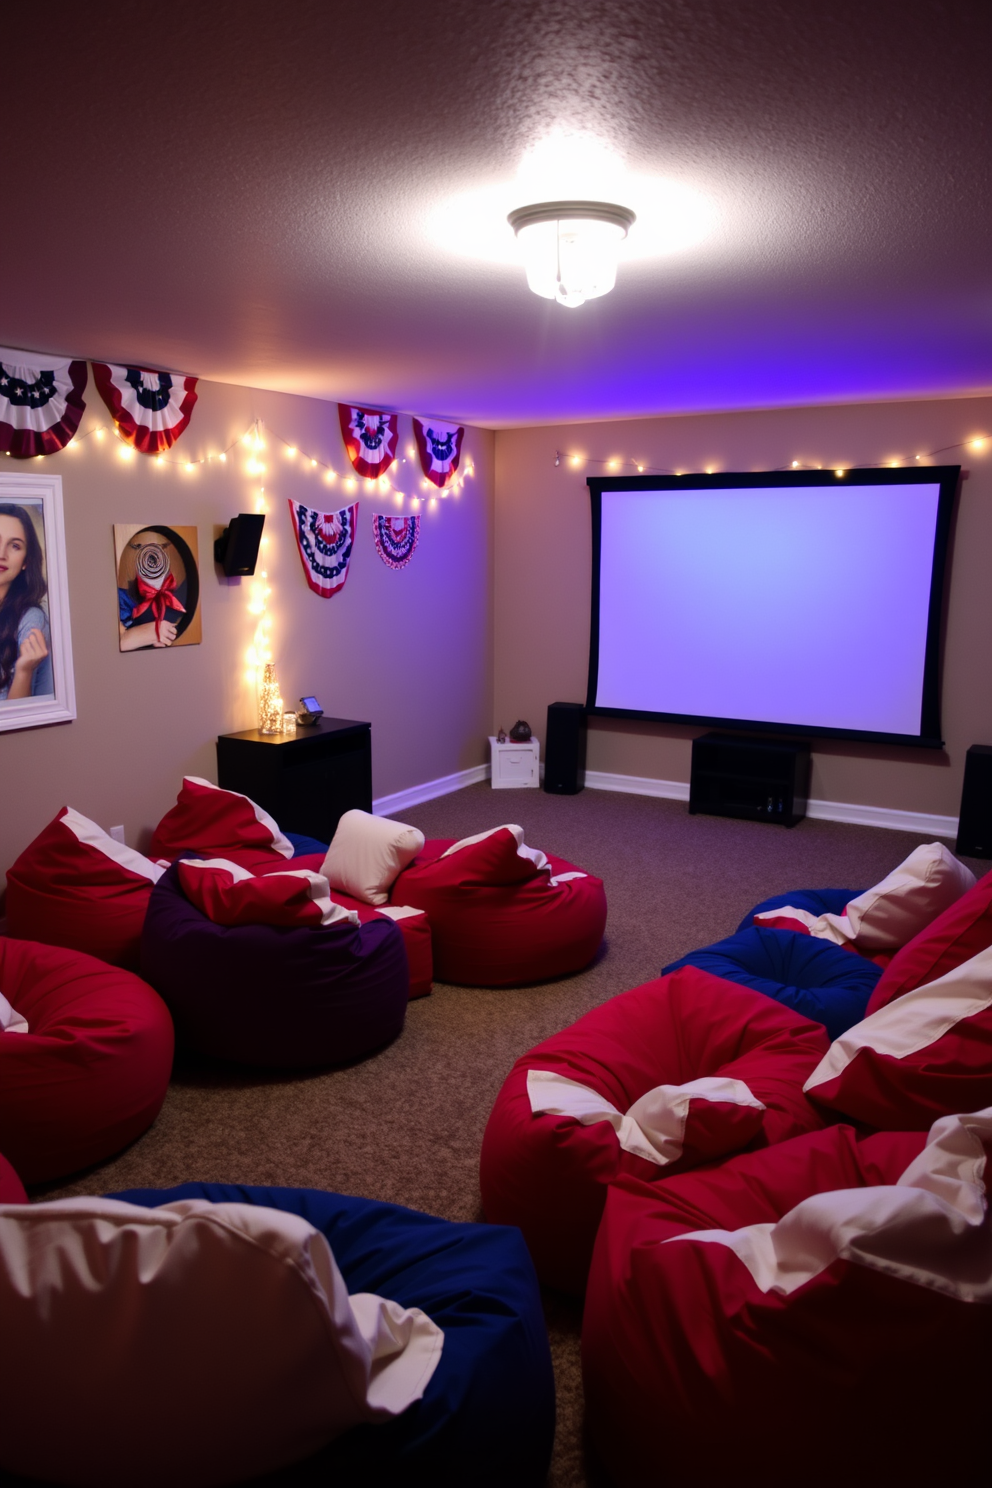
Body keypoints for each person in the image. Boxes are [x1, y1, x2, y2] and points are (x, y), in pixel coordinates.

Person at [0, 503, 53, 702]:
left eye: (15, 546)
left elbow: (20, 723)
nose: (2, 554)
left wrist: (23, 671)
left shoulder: (31, 620)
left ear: (25, 561)